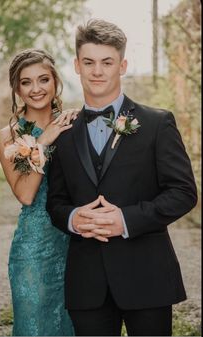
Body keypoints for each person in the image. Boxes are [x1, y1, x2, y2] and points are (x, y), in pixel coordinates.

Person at [46, 19, 198, 336]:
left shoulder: (158, 123)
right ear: (76, 65)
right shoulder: (62, 131)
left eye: (107, 62)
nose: (97, 71)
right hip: (87, 284)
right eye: (88, 62)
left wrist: (126, 220)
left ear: (122, 65)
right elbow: (56, 202)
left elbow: (183, 192)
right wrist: (74, 218)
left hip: (148, 277)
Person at [0, 48, 77, 336]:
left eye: (43, 79)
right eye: (26, 82)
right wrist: (43, 141)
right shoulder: (10, 136)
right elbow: (26, 195)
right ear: (17, 88)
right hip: (34, 251)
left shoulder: (74, 123)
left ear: (55, 81)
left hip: (78, 246)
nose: (36, 89)